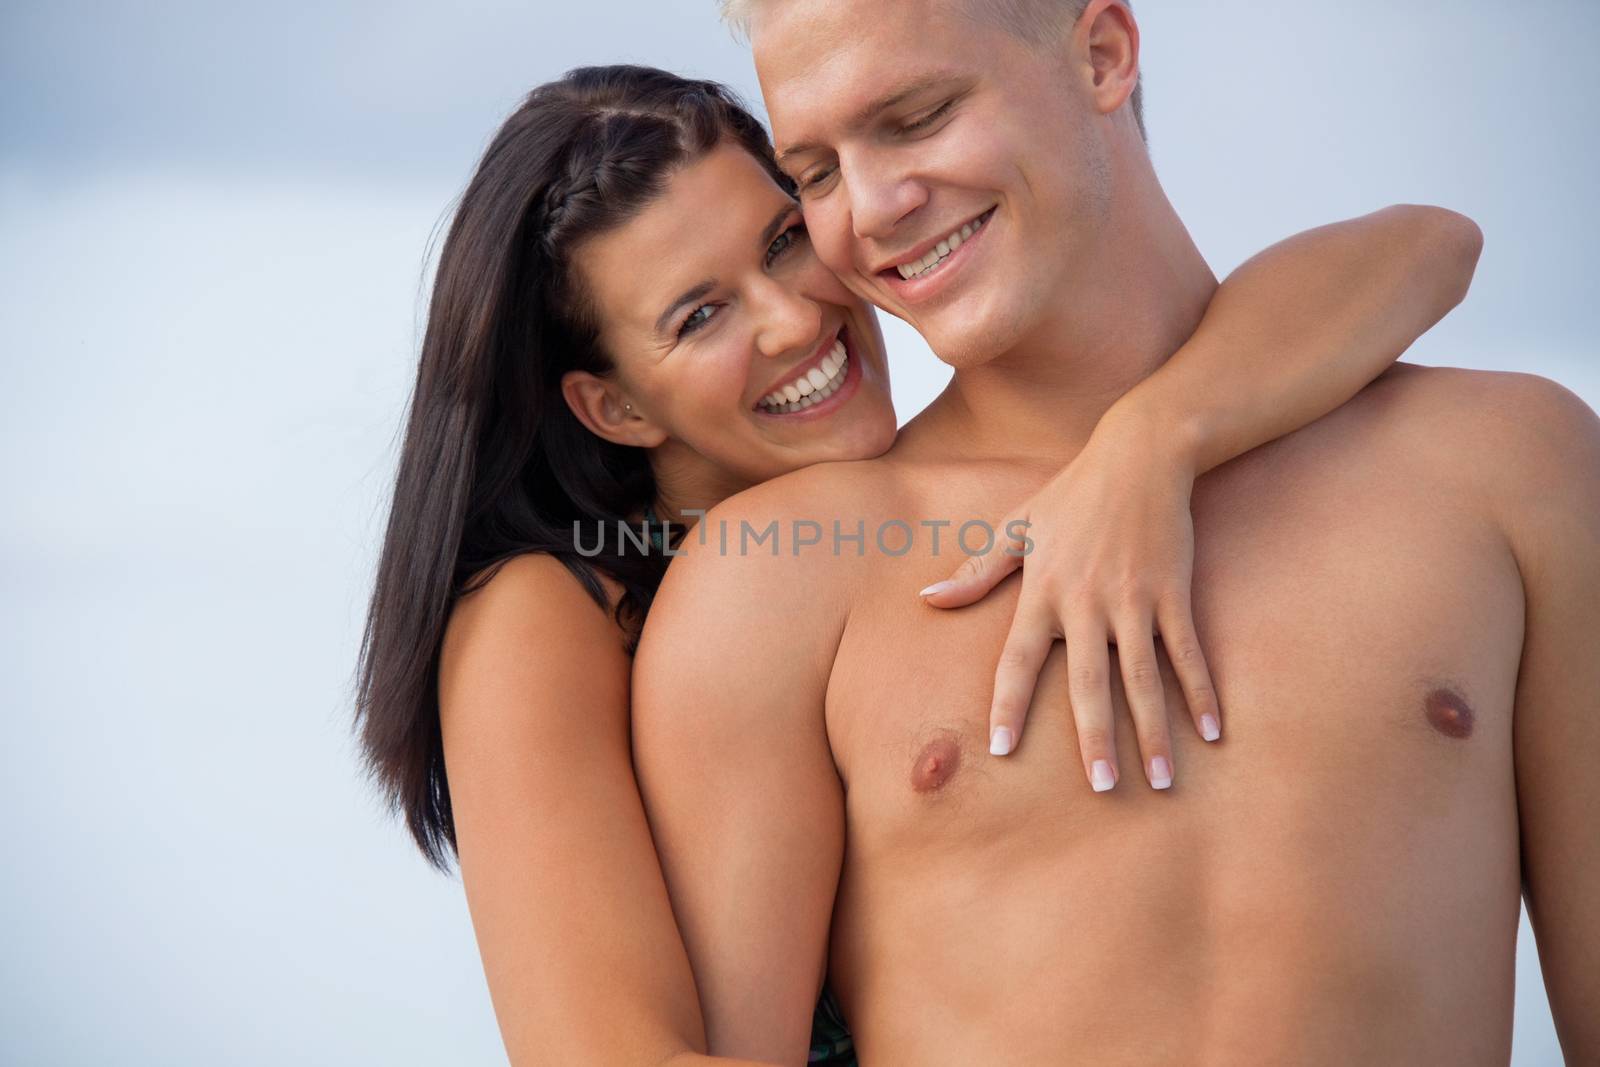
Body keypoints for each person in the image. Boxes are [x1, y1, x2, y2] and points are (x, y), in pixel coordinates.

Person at [354, 65, 1485, 1067]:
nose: (792, 320)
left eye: (783, 240)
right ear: (613, 405)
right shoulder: (545, 613)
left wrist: (1152, 444)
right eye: (700, 316)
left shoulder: (871, 521)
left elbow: (1425, 245)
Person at [631, 2, 1600, 1064]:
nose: (869, 210)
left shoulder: (1510, 466)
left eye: (914, 117)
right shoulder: (773, 583)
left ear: (1102, 54)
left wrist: (1151, 444)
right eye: (814, 172)